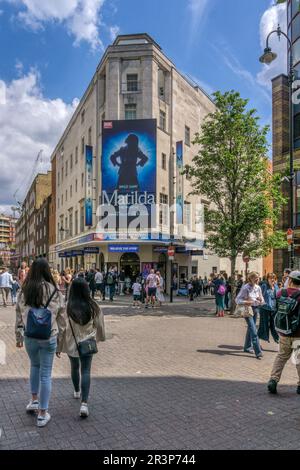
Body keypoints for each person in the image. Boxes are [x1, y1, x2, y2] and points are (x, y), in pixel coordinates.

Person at [15, 258, 66, 427]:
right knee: (46, 373)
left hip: (30, 336)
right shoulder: (55, 291)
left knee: (34, 366)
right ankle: (43, 414)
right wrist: (61, 342)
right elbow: (62, 318)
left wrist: (18, 336)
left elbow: (19, 314)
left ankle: (34, 400)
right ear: (47, 271)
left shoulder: (25, 290)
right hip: (49, 336)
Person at [57, 278, 105, 417]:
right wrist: (99, 338)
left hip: (72, 342)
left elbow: (62, 328)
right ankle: (84, 404)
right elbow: (100, 325)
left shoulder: (68, 306)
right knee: (86, 371)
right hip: (87, 342)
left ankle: (77, 391)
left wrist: (59, 346)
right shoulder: (93, 306)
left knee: (74, 367)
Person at [267, 271, 300, 395]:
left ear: (290, 280)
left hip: (283, 332)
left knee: (281, 357)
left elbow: (276, 308)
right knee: (299, 359)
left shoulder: (281, 292)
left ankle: (273, 380)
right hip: (298, 333)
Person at [236, 272, 264, 360]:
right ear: (250, 278)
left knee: (250, 328)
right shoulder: (245, 287)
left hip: (256, 309)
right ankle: (258, 352)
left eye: (258, 278)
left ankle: (247, 347)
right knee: (253, 329)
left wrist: (260, 300)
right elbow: (237, 300)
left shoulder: (258, 287)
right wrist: (246, 302)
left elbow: (262, 300)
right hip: (247, 310)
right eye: (256, 278)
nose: (257, 279)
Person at [258, 273, 279, 345]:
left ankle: (278, 340)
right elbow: (259, 295)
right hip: (265, 309)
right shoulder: (264, 286)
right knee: (264, 326)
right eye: (270, 278)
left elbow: (278, 297)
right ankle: (258, 342)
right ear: (267, 279)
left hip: (274, 309)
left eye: (274, 278)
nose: (272, 279)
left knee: (274, 326)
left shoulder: (276, 286)